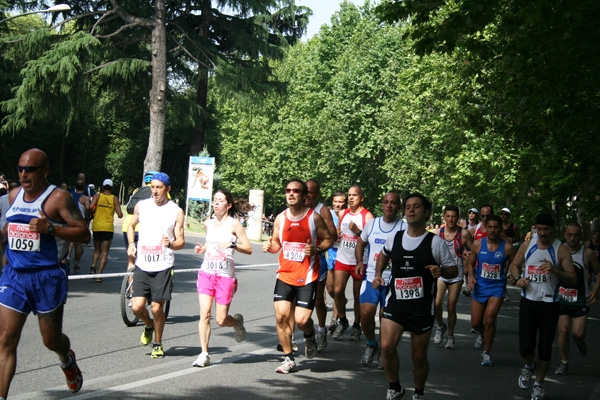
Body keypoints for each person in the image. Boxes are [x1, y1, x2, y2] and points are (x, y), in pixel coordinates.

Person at [0, 148, 90, 397]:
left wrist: (49, 228)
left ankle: (67, 358)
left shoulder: (58, 198)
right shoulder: (13, 194)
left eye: (30, 169)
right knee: (5, 339)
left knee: (50, 340)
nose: (24, 174)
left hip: (47, 277)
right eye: (20, 169)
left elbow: (84, 234)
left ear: (45, 171)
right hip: (15, 276)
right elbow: (10, 227)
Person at [374, 193, 457, 400]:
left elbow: (453, 271)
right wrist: (377, 275)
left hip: (421, 308)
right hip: (396, 304)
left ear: (426, 212)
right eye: (408, 207)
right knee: (386, 346)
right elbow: (384, 254)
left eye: (417, 207)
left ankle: (419, 393)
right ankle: (395, 387)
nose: (411, 210)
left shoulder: (435, 243)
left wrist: (441, 272)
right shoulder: (396, 237)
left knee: (418, 356)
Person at [262, 179, 332, 374]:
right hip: (285, 275)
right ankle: (289, 358)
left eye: (296, 191)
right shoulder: (280, 218)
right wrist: (270, 247)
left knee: (301, 321)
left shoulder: (314, 218)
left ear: (304, 196)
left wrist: (316, 249)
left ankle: (309, 335)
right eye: (288, 190)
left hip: (307, 277)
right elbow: (277, 244)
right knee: (281, 316)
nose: (291, 193)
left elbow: (328, 239)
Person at [509, 213, 576, 400]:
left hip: (550, 304)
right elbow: (514, 265)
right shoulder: (527, 245)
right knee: (525, 347)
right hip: (529, 302)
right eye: (539, 229)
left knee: (545, 347)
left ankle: (538, 384)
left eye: (546, 229)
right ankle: (529, 365)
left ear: (553, 229)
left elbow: (573, 277)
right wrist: (517, 278)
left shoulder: (560, 249)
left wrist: (555, 270)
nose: (543, 233)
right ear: (535, 229)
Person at [192, 189, 253, 367]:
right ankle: (204, 354)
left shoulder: (234, 225)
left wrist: (233, 243)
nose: (216, 203)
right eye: (215, 200)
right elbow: (208, 244)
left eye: (220, 200)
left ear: (228, 205)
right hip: (206, 273)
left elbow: (248, 248)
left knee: (220, 319)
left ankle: (236, 324)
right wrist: (202, 250)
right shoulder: (207, 223)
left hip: (225, 277)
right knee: (204, 314)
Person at [127, 172, 185, 359]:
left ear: (168, 189)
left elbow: (181, 242)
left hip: (163, 265)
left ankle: (158, 343)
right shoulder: (142, 206)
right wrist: (131, 244)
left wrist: (170, 243)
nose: (155, 191)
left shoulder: (176, 211)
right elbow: (130, 226)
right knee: (136, 307)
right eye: (152, 187)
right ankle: (149, 325)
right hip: (143, 264)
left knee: (157, 308)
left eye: (159, 187)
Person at [355, 192, 405, 366]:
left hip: (393, 282)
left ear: (399, 206)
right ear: (382, 205)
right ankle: (371, 344)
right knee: (366, 314)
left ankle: (385, 350)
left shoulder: (404, 227)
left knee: (385, 319)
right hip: (371, 278)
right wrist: (360, 261)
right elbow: (360, 243)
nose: (389, 206)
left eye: (393, 203)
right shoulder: (372, 224)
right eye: (386, 202)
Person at [467, 215, 516, 366]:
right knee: (476, 323)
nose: (493, 230)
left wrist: (515, 275)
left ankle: (486, 353)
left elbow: (516, 263)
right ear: (486, 228)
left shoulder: (507, 247)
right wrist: (471, 276)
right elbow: (471, 263)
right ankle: (482, 333)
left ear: (501, 229)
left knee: (489, 320)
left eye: (496, 227)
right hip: (480, 286)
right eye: (490, 227)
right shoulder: (477, 244)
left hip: (497, 287)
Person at [554, 222, 600, 375]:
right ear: (565, 235)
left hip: (580, 299)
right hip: (562, 299)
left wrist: (595, 290)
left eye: (576, 235)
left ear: (581, 236)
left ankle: (580, 343)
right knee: (563, 331)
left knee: (577, 334)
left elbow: (598, 272)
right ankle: (564, 362)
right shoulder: (560, 251)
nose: (572, 238)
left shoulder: (587, 254)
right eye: (569, 235)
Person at [333, 186, 374, 341]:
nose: (351, 198)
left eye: (354, 195)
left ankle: (356, 326)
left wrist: (357, 232)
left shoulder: (368, 216)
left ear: (361, 198)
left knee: (357, 296)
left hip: (358, 261)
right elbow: (338, 232)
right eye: (349, 195)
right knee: (337, 291)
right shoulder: (342, 213)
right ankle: (343, 321)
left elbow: (371, 240)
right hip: (342, 258)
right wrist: (336, 234)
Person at [433, 205, 473, 349]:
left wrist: (469, 256)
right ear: (444, 217)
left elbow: (473, 251)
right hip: (442, 273)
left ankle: (450, 335)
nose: (451, 219)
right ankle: (440, 326)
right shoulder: (438, 233)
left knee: (451, 306)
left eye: (453, 216)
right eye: (448, 216)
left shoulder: (464, 234)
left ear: (458, 218)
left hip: (457, 273)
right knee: (436, 304)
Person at [305, 179, 338, 352]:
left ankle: (321, 329)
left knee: (318, 299)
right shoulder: (298, 208)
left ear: (317, 194)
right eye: (305, 191)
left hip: (318, 258)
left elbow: (332, 235)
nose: (307, 195)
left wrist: (318, 229)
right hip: (299, 260)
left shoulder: (322, 210)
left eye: (311, 192)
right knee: (295, 299)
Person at [122, 171, 157, 272]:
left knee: (131, 261)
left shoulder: (137, 190)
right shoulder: (159, 192)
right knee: (146, 262)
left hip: (128, 227)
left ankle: (131, 287)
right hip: (145, 228)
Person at [90, 179, 123, 282]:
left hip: (97, 226)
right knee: (105, 252)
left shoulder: (97, 196)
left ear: (103, 187)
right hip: (108, 227)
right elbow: (120, 215)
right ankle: (99, 275)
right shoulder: (115, 199)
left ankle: (94, 264)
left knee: (97, 249)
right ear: (112, 188)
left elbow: (90, 207)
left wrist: (95, 211)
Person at [326, 191, 346, 333]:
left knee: (338, 290)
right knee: (331, 290)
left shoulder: (348, 215)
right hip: (330, 253)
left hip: (343, 255)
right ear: (332, 202)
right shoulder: (327, 214)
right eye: (336, 202)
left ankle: (334, 320)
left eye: (341, 202)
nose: (338, 204)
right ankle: (341, 303)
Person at [67, 178, 92, 273]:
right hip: (80, 222)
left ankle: (68, 258)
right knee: (78, 244)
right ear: (84, 188)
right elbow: (88, 208)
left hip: (69, 221)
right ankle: (76, 264)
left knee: (70, 242)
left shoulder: (69, 195)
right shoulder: (85, 198)